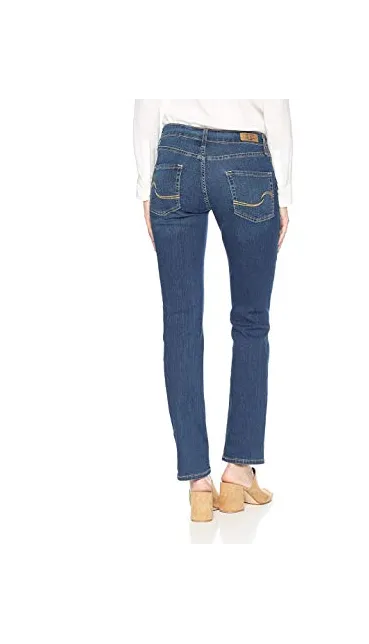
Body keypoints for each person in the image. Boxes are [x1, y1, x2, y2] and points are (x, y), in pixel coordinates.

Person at [133, 96, 292, 521]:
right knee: (251, 321)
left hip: (173, 160)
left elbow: (147, 99)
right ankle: (238, 470)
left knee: (180, 322)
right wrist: (285, 191)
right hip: (245, 158)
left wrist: (144, 183)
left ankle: (199, 485)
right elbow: (275, 102)